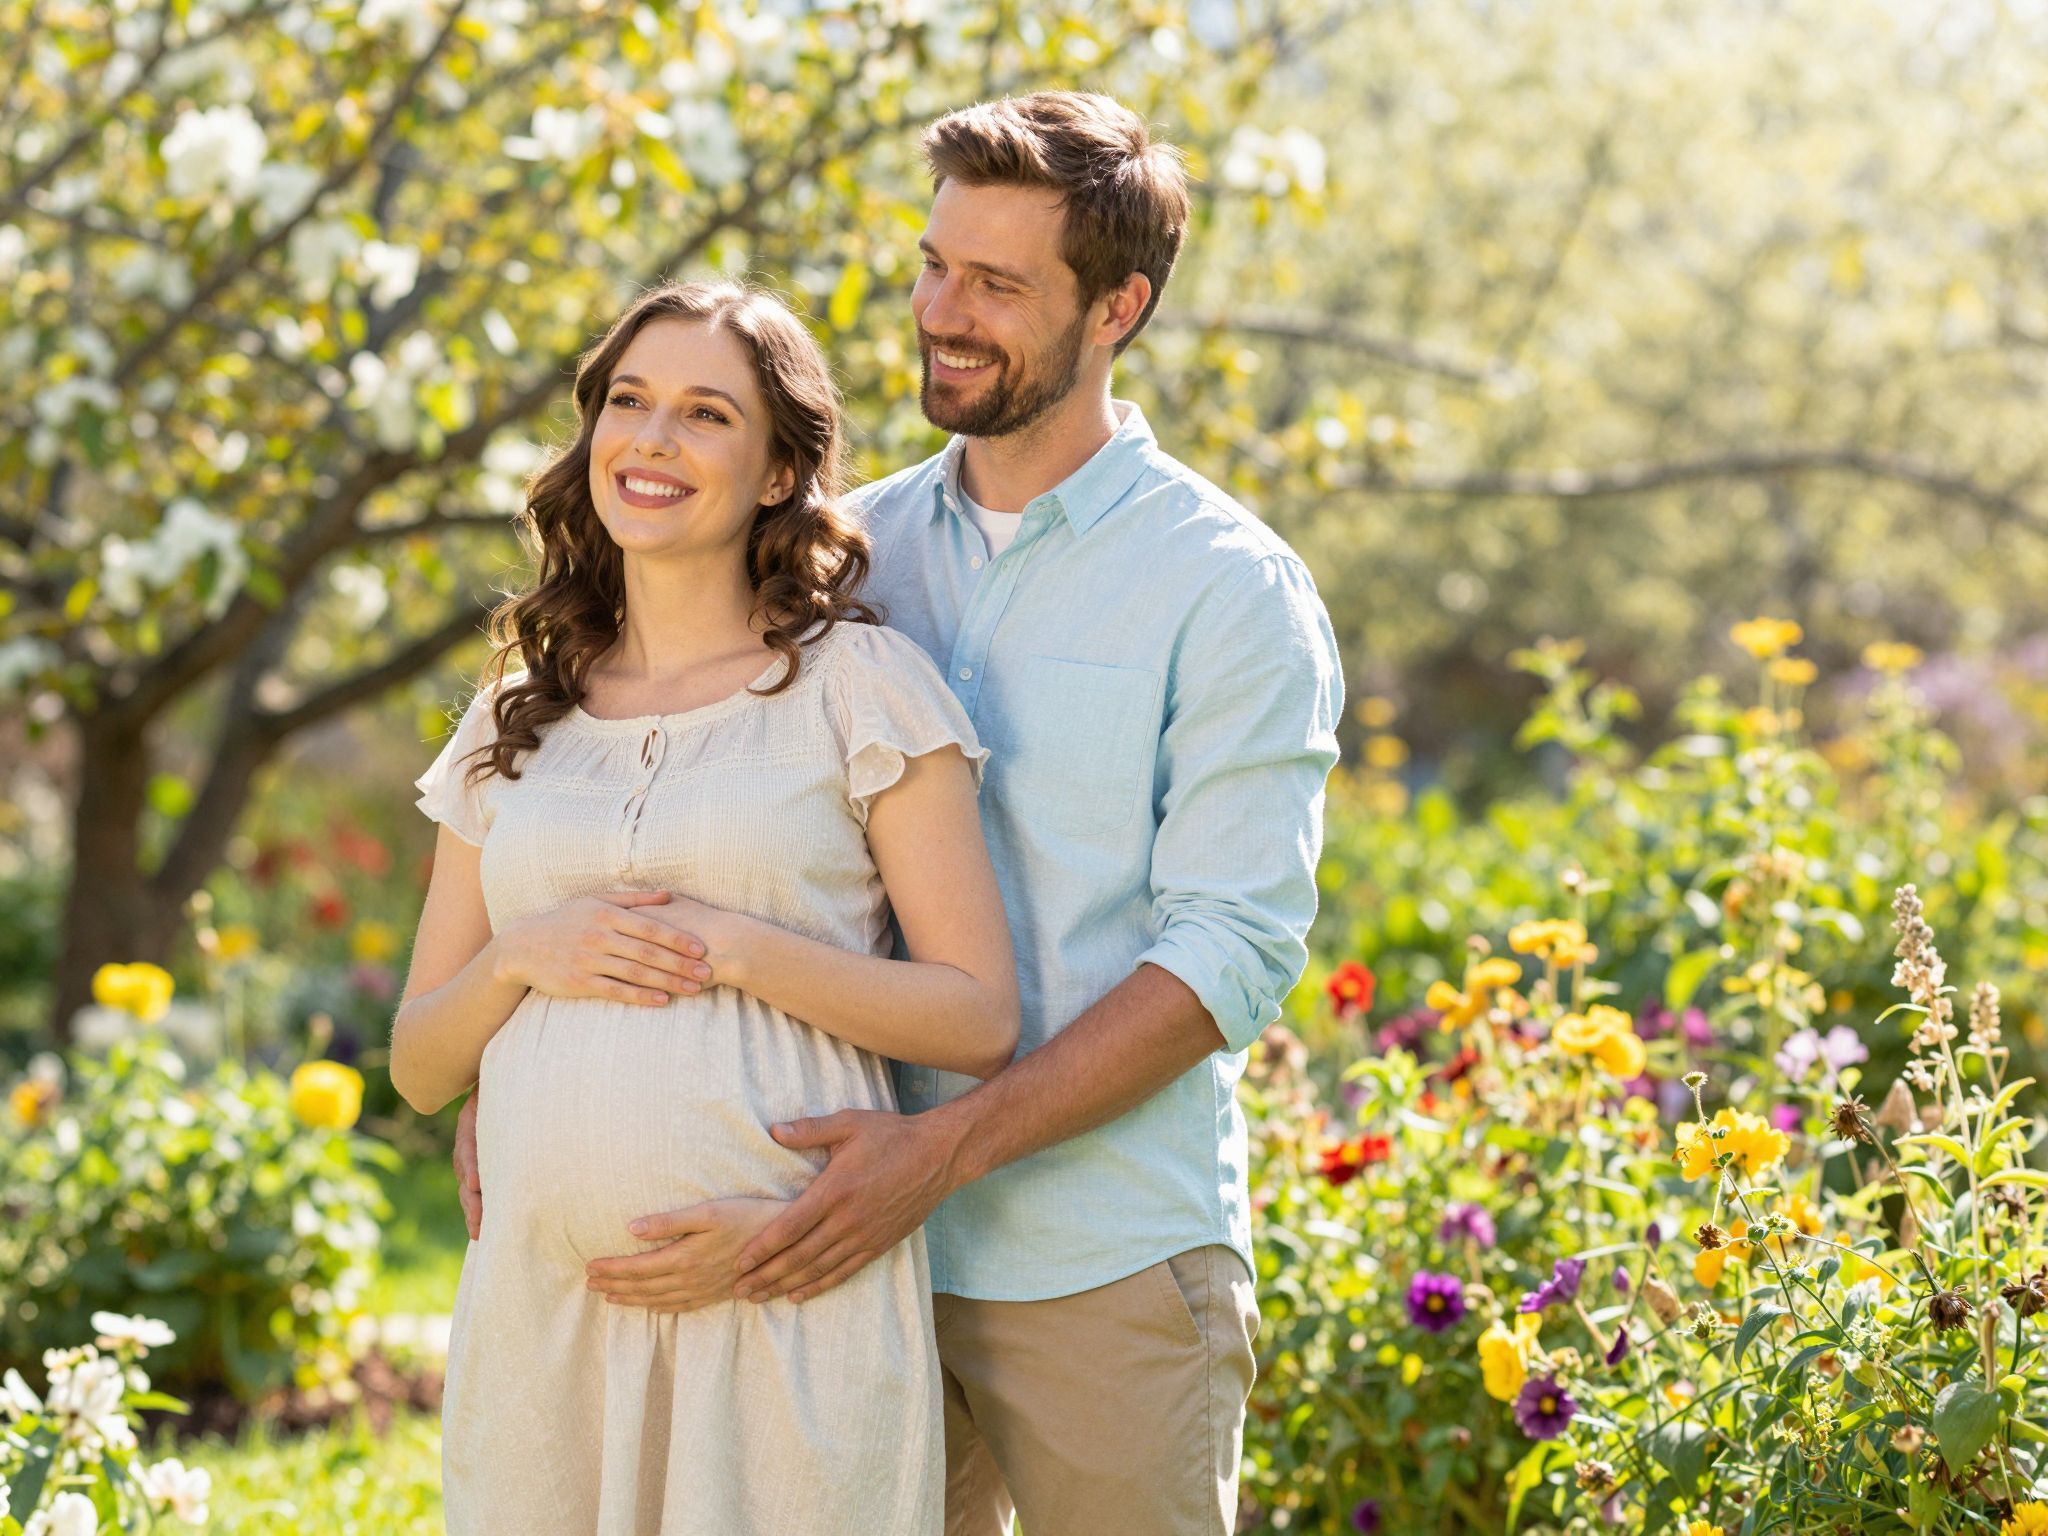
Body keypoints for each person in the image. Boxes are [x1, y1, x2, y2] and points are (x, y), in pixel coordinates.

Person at [460, 90, 1343, 1536]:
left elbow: (1229, 954)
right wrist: (534, 1069)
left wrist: (945, 1148)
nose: (945, 311)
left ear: (1118, 307)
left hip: (1098, 1261)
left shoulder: (1227, 589)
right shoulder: (842, 561)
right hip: (816, 1265)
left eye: (998, 285)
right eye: (934, 265)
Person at [392, 278, 1018, 1535]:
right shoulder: (519, 707)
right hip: (543, 1321)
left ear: (781, 470)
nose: (652, 441)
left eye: (704, 414)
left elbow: (974, 1014)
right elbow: (416, 1064)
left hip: (783, 1299)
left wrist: (730, 946)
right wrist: (524, 955)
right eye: (628, 402)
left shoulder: (859, 688)